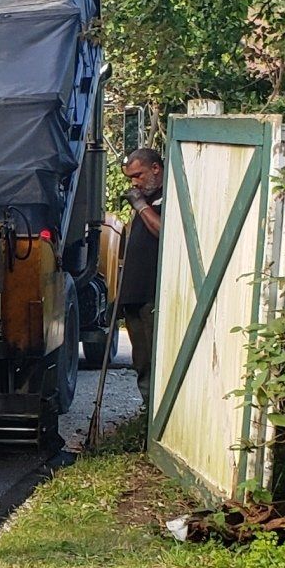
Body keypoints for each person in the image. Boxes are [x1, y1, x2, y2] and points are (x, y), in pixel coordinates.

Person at [117, 146, 165, 393]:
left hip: (152, 296)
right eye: (130, 178)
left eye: (138, 175)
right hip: (135, 296)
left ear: (155, 169)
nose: (134, 183)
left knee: (154, 360)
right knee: (141, 362)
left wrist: (141, 207)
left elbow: (163, 232)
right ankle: (146, 414)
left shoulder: (166, 198)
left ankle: (155, 418)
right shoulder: (145, 199)